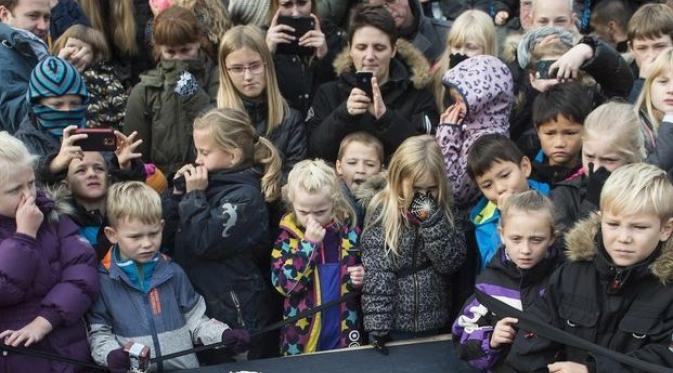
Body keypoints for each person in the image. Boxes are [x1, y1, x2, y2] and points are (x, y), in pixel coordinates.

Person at [508, 163, 673, 371]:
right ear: (599, 219)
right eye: (613, 224)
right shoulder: (571, 274)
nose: (623, 238)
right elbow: (533, 339)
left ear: (666, 229)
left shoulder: (668, 291)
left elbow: (664, 360)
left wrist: (593, 370)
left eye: (639, 227)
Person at [87, 181, 250, 371]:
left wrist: (223, 335)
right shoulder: (103, 280)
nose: (147, 243)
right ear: (112, 234)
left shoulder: (174, 272)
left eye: (153, 233)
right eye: (136, 237)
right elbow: (99, 334)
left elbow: (196, 321)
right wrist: (111, 355)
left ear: (162, 226)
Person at [161, 107, 281, 360]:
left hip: (237, 314)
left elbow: (204, 241)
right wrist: (176, 195)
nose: (198, 159)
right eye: (197, 151)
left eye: (204, 152)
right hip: (199, 308)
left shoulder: (245, 198)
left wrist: (193, 196)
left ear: (233, 155)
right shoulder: (207, 185)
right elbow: (163, 233)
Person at [0, 131, 99, 372]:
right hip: (16, 358)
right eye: (15, 190)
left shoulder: (52, 216)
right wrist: (24, 237)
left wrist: (45, 321)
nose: (29, 195)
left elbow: (83, 273)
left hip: (68, 349)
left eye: (32, 183)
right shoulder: (30, 225)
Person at [361, 135, 466, 347]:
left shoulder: (446, 211)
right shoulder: (382, 212)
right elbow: (378, 273)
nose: (424, 197)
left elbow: (450, 263)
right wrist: (378, 326)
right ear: (399, 181)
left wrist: (432, 222)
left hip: (436, 319)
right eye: (417, 190)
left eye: (431, 189)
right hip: (396, 324)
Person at [307, 4, 439, 163]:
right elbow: (314, 151)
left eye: (379, 48)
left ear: (393, 49)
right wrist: (344, 114)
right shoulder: (328, 93)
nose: (369, 56)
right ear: (350, 49)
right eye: (361, 47)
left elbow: (426, 157)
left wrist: (386, 118)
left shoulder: (419, 96)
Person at [453, 190, 560, 371]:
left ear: (552, 238)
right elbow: (462, 339)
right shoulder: (489, 284)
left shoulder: (564, 278)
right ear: (502, 235)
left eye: (536, 240)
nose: (525, 249)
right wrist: (491, 340)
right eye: (516, 239)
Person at [271, 159, 363, 355]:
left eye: (321, 211)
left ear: (335, 203)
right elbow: (284, 285)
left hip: (344, 330)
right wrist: (308, 246)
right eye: (303, 212)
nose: (312, 219)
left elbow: (371, 272)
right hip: (301, 338)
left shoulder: (350, 233)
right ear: (292, 204)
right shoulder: (287, 238)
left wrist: (362, 276)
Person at [124, 5, 219, 177]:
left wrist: (185, 84)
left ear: (198, 42)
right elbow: (136, 157)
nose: (178, 59)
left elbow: (219, 129)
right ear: (159, 49)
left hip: (213, 179)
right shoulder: (144, 92)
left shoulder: (217, 77)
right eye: (170, 52)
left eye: (185, 50)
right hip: (163, 186)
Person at [218, 25, 306, 177]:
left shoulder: (291, 119)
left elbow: (293, 181)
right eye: (238, 69)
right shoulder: (214, 120)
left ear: (267, 65)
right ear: (225, 71)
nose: (248, 77)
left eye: (254, 66)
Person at [551, 102, 646, 233]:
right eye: (589, 156)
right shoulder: (564, 194)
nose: (595, 169)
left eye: (609, 160)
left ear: (632, 157)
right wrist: (591, 204)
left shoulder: (651, 193)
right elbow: (563, 249)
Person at [436, 55, 515, 210]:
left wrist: (447, 135)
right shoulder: (474, 126)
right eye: (454, 100)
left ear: (482, 100)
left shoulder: (486, 139)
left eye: (461, 100)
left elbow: (456, 191)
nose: (456, 107)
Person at [0, 0, 92, 133]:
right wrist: (54, 75)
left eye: (47, 17)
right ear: (4, 15)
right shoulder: (4, 55)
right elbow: (17, 118)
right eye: (33, 16)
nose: (43, 26)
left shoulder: (31, 48)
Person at [466, 134, 550, 271]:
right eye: (487, 185)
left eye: (505, 176)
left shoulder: (552, 197)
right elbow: (491, 263)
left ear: (524, 167)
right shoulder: (484, 223)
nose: (500, 188)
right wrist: (505, 217)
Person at [266, 0, 346, 115]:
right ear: (275, 6)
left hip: (322, 120)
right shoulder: (263, 38)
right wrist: (267, 55)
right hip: (284, 124)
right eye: (287, 5)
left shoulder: (332, 35)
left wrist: (325, 57)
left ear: (312, 4)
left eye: (302, 3)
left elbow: (342, 89)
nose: (295, 13)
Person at [14, 56, 89, 164]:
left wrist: (118, 163)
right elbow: (25, 175)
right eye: (57, 105)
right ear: (37, 103)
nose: (67, 110)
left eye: (74, 104)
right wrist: (53, 165)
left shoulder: (90, 130)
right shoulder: (25, 141)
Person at [51, 24, 128, 129]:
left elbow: (121, 112)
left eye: (83, 49)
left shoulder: (105, 78)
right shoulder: (52, 73)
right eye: (71, 47)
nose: (76, 54)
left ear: (95, 55)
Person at [432, 9, 497, 112]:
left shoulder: (500, 87)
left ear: (487, 48)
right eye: (457, 46)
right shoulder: (437, 80)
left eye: (471, 47)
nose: (462, 53)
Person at [530, 81, 592, 184]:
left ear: (586, 130)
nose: (560, 143)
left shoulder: (592, 177)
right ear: (538, 131)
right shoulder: (525, 173)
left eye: (570, 133)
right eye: (550, 133)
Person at [368, 0, 450, 64]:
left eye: (391, 1)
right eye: (378, 8)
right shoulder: (368, 42)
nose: (388, 11)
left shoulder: (447, 33)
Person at [635, 47, 673, 173]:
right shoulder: (632, 127)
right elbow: (651, 172)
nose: (671, 90)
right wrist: (669, 122)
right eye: (663, 81)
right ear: (649, 86)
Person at [335, 131, 384, 228]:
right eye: (352, 163)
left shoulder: (388, 202)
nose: (361, 170)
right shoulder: (330, 203)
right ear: (339, 167)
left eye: (370, 164)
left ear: (381, 170)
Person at [626, 3, 673, 102]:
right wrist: (642, 82)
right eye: (642, 48)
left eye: (660, 46)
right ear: (631, 48)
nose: (652, 55)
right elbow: (628, 116)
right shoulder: (623, 79)